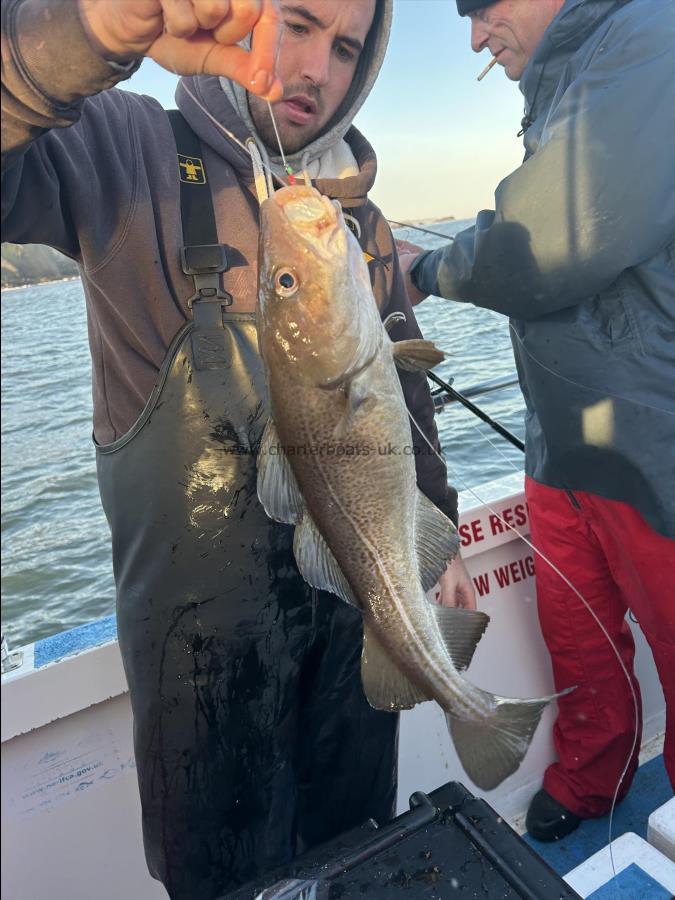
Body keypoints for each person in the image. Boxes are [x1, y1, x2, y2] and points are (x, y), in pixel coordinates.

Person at [1, 0, 475, 896]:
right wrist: (86, 35)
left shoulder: (359, 223)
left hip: (353, 642)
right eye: (296, 23)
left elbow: (401, 392)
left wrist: (438, 526)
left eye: (344, 48)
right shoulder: (127, 152)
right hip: (205, 669)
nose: (315, 71)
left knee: (359, 858)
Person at [401, 0, 675, 842]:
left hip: (650, 441)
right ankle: (591, 773)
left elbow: (549, 236)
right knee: (578, 635)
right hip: (565, 442)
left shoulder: (649, 35)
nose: (476, 36)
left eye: (482, 8)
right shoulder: (560, 84)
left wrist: (425, 269)